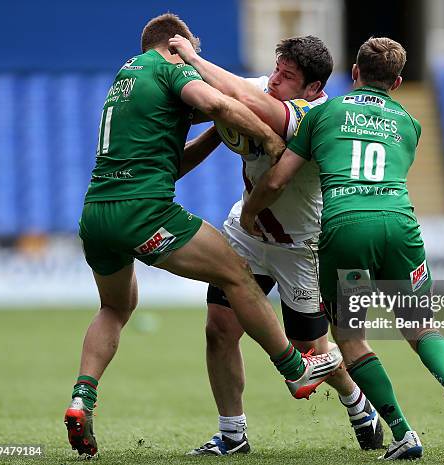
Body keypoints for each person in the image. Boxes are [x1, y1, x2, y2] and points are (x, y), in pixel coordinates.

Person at [63, 13, 343, 457]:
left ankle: (82, 398)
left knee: (115, 307)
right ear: (176, 45)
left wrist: (216, 136)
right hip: (144, 214)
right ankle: (295, 369)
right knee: (236, 273)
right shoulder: (170, 67)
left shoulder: (127, 78)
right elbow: (221, 104)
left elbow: (170, 163)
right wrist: (270, 144)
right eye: (191, 48)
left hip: (96, 214)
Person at [240, 37, 444, 460]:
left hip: (345, 226)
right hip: (400, 224)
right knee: (419, 323)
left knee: (351, 338)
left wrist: (250, 213)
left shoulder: (326, 112)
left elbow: (279, 179)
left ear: (354, 73)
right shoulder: (410, 124)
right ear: (396, 81)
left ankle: (403, 433)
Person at [168, 34, 384, 455]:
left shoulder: (313, 117)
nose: (275, 82)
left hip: (299, 247)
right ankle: (232, 434)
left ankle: (356, 401)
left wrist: (194, 56)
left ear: (313, 90)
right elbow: (208, 99)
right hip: (246, 235)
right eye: (276, 70)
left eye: (287, 78)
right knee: (219, 329)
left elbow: (235, 96)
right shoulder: (262, 86)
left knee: (310, 354)